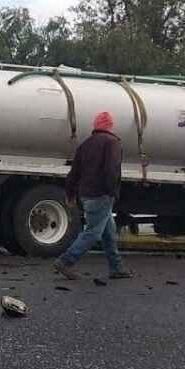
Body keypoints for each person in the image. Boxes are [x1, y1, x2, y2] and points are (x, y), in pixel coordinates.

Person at [54, 111, 133, 280]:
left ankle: (116, 266)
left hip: (86, 194)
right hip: (102, 194)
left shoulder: (85, 145)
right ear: (110, 126)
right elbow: (112, 169)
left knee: (108, 231)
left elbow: (74, 173)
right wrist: (112, 191)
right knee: (93, 233)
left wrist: (70, 194)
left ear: (96, 126)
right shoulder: (112, 142)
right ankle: (65, 261)